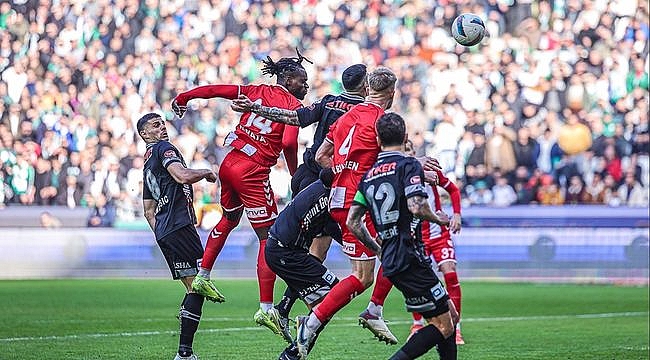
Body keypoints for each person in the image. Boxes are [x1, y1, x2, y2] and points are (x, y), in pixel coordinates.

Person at [171, 49, 311, 333]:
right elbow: (288, 144)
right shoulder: (294, 109)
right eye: (302, 80)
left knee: (230, 219)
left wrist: (184, 97)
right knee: (268, 239)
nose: (306, 86)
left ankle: (203, 275)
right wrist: (297, 177)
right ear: (287, 79)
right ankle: (266, 309)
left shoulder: (255, 90)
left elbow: (215, 90)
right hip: (252, 170)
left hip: (229, 162)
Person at [230, 64, 368, 336]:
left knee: (315, 251)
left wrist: (256, 108)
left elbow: (294, 117)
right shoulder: (363, 112)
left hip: (306, 178)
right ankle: (299, 312)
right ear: (365, 87)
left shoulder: (328, 101)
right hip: (326, 183)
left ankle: (284, 309)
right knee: (324, 251)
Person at [346, 112, 457, 360]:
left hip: (394, 258)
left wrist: (377, 249)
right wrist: (439, 218)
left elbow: (352, 221)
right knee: (444, 326)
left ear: (377, 139)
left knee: (450, 316)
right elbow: (417, 206)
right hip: (409, 256)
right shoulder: (408, 165)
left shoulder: (369, 176)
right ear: (405, 136)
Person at [137, 112, 218, 360]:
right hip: (179, 226)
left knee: (194, 287)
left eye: (162, 123)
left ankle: (185, 352)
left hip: (166, 230)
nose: (162, 127)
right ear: (144, 134)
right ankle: (184, 353)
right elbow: (182, 176)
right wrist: (206, 172)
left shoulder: (147, 160)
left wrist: (161, 231)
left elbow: (148, 209)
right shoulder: (163, 149)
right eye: (155, 125)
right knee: (199, 285)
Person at [264, 168, 342, 359]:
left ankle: (291, 349)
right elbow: (333, 227)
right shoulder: (329, 198)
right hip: (286, 253)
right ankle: (298, 340)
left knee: (324, 306)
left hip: (284, 250)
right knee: (333, 296)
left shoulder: (317, 188)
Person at [403, 140, 465, 345]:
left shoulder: (429, 171)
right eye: (406, 153)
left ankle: (455, 327)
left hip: (438, 234)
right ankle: (417, 324)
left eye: (411, 152)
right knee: (416, 281)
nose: (409, 156)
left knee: (450, 274)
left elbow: (453, 190)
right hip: (415, 237)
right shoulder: (399, 175)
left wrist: (456, 214)